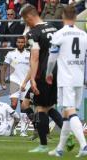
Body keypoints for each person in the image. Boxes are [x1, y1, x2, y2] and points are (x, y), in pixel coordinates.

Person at [21, 5, 64, 152]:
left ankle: (43, 145)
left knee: (40, 108)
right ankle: (67, 135)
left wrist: (32, 79)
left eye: (25, 20)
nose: (26, 23)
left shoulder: (34, 33)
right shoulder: (53, 28)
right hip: (57, 70)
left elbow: (35, 57)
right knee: (49, 106)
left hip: (43, 72)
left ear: (29, 17)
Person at [46, 5, 87, 157]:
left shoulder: (60, 34)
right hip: (79, 78)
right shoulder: (83, 34)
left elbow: (52, 58)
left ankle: (84, 145)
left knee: (70, 111)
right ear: (76, 17)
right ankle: (60, 149)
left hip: (66, 78)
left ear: (63, 17)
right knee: (66, 114)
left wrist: (48, 73)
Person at [1, 36, 30, 137]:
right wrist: (2, 81)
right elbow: (4, 67)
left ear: (25, 43)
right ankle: (11, 127)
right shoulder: (11, 54)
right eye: (19, 42)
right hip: (14, 81)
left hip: (26, 83)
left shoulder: (29, 54)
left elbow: (33, 69)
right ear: (16, 43)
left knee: (24, 107)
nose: (20, 44)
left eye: (22, 42)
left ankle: (23, 130)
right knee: (13, 104)